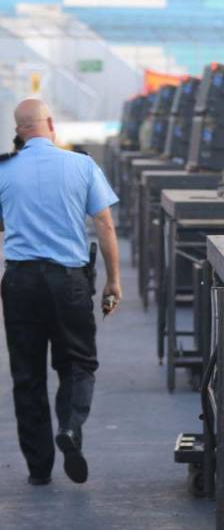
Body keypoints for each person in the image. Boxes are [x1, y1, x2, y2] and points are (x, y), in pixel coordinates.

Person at [0, 99, 121, 486]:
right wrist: (113, 280)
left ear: (18, 131)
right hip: (68, 281)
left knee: (27, 375)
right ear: (50, 123)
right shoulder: (81, 165)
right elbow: (104, 223)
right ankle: (70, 428)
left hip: (19, 283)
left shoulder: (3, 170)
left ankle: (39, 469)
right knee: (78, 364)